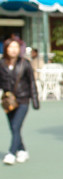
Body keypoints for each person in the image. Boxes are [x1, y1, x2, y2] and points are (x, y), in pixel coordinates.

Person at [1, 37, 39, 165]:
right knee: (13, 127)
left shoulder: (25, 63)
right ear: (6, 48)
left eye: (16, 47)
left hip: (23, 99)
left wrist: (35, 100)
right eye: (11, 47)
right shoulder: (1, 64)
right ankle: (22, 150)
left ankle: (11, 153)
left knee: (16, 125)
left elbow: (32, 82)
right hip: (8, 101)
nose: (13, 50)